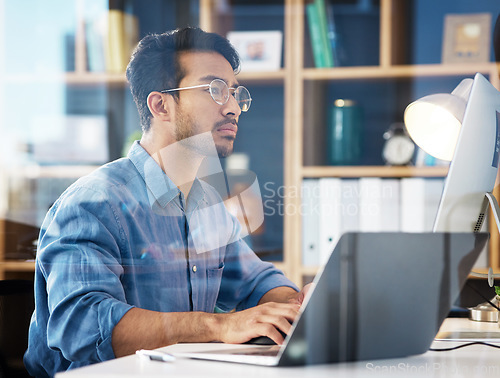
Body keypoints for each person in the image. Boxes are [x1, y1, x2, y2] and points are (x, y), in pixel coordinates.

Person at [24, 27, 309, 377]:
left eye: (235, 93)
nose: (233, 107)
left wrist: (298, 304)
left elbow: (256, 283)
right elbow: (82, 327)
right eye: (215, 90)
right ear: (161, 105)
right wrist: (219, 326)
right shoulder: (94, 203)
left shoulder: (205, 201)